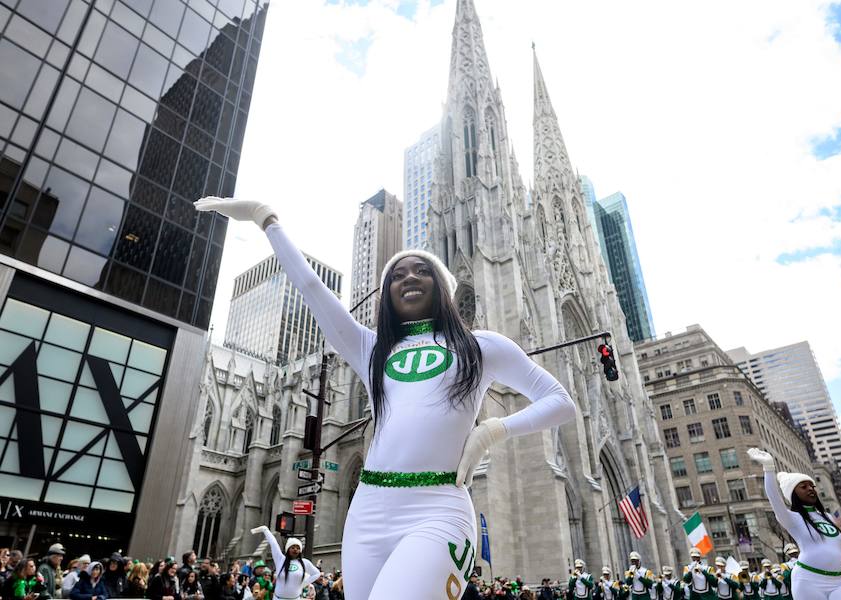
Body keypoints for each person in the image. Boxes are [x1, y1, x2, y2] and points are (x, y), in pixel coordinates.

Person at [192, 197, 576, 600]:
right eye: (397, 274)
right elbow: (310, 287)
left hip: (439, 508)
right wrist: (265, 219)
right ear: (387, 293)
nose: (408, 277)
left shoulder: (481, 347)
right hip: (369, 512)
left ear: (442, 287)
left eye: (421, 270)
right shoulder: (370, 348)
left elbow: (559, 401)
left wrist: (494, 430)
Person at [748, 448, 841, 600]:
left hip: (838, 581)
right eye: (803, 487)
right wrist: (769, 468)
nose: (810, 489)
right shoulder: (792, 518)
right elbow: (773, 497)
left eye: (812, 486)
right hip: (808, 581)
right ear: (793, 494)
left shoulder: (828, 517)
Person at [250, 526, 320, 600]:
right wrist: (265, 530)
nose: (295, 550)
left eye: (298, 548)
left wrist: (303, 584)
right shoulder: (280, 559)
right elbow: (273, 543)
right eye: (292, 547)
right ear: (287, 549)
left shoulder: (305, 562)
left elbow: (317, 573)